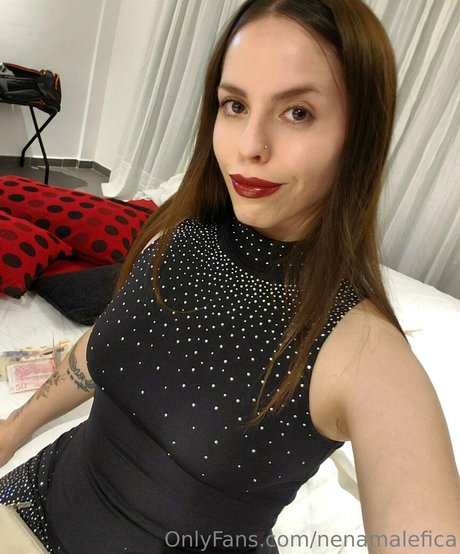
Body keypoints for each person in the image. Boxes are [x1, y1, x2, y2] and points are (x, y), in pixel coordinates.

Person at [1, 0, 459, 552]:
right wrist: (13, 429)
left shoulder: (366, 354)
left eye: (298, 112)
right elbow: (110, 341)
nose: (248, 147)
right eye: (235, 105)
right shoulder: (177, 233)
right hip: (35, 498)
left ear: (359, 135)